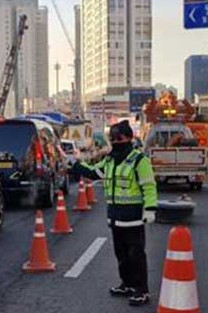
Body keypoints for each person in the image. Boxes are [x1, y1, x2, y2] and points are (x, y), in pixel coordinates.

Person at [69, 120, 158, 306]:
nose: (116, 141)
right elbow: (94, 173)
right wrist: (76, 165)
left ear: (129, 138)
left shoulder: (139, 160)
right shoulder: (110, 160)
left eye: (119, 137)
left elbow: (149, 186)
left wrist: (150, 209)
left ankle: (141, 290)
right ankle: (126, 284)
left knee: (136, 255)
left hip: (133, 218)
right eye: (112, 138)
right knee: (121, 254)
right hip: (115, 217)